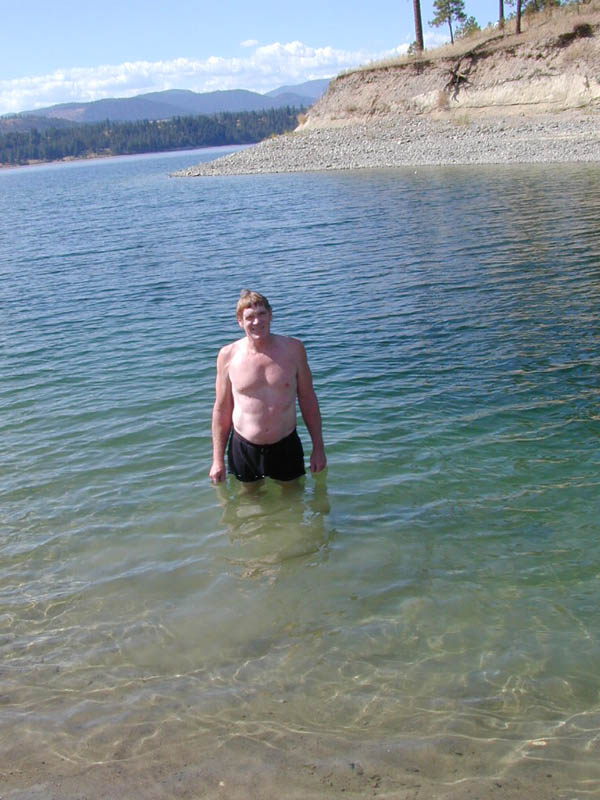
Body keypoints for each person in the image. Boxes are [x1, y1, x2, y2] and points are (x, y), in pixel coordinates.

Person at [209, 290, 327, 484]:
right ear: (240, 321)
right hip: (244, 447)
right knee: (248, 506)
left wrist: (318, 448)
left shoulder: (294, 349)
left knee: (293, 504)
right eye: (250, 317)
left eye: (262, 314)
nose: (257, 322)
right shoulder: (228, 356)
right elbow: (222, 409)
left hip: (286, 444)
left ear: (271, 315)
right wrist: (217, 460)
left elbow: (308, 399)